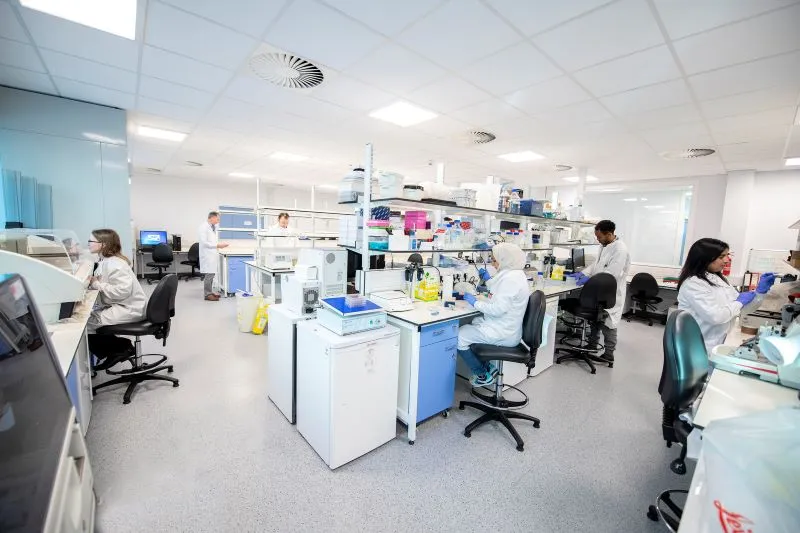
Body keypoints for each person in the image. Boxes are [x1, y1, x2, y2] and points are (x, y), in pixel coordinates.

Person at [677, 238, 775, 354]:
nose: (727, 260)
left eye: (727, 255)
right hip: (700, 344)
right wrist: (739, 302)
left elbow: (743, 309)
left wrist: (759, 293)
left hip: (719, 339)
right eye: (721, 257)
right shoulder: (693, 283)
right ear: (704, 258)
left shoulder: (720, 279)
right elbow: (716, 316)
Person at [458, 243, 530, 387]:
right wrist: (489, 280)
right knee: (474, 322)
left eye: (494, 259)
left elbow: (498, 309)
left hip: (502, 332)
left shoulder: (510, 279)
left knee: (459, 336)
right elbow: (501, 290)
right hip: (506, 327)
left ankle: (482, 374)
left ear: (505, 260)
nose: (492, 262)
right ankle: (488, 367)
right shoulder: (514, 273)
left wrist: (475, 303)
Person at [570, 219, 631, 364]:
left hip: (611, 292)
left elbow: (610, 275)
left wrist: (590, 281)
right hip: (599, 290)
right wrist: (584, 273)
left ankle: (609, 354)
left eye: (599, 237)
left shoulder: (620, 250)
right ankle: (591, 345)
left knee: (608, 323)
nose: (598, 240)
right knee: (595, 319)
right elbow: (596, 264)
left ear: (609, 234)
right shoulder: (605, 245)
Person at [86, 228, 147, 333]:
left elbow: (122, 291)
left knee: (87, 323)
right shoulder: (105, 261)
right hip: (122, 305)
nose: (88, 244)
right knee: (89, 316)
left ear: (104, 244)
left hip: (131, 309)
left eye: (91, 241)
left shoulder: (115, 264)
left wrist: (96, 284)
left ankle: (120, 348)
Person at [198, 211, 229, 301]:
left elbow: (212, 241)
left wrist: (217, 245)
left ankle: (210, 292)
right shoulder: (203, 227)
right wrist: (218, 246)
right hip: (207, 254)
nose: (218, 221)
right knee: (209, 274)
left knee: (211, 274)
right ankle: (207, 294)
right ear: (212, 217)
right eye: (217, 219)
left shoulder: (212, 227)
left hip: (211, 253)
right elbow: (204, 243)